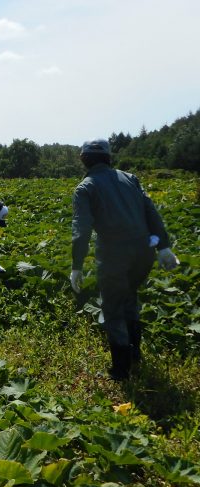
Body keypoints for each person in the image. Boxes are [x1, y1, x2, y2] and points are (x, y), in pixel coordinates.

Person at [71, 138, 180, 381]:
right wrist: (163, 247)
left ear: (84, 159)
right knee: (130, 298)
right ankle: (135, 355)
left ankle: (121, 370)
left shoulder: (86, 187)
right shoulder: (130, 178)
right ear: (109, 157)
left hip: (113, 256)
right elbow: (151, 211)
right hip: (144, 252)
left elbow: (81, 230)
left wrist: (77, 266)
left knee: (113, 309)